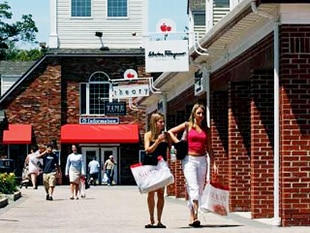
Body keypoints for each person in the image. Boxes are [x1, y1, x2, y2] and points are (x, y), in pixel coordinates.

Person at [168, 103, 214, 227]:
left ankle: (192, 215)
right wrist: (178, 143)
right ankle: (195, 216)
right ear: (193, 113)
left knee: (199, 188)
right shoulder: (188, 126)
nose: (201, 116)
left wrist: (214, 162)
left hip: (202, 159)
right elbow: (170, 132)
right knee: (193, 187)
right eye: (198, 113)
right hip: (189, 160)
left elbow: (209, 147)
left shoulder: (207, 130)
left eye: (203, 113)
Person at [143, 112, 172, 229]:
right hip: (150, 166)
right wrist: (158, 141)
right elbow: (147, 150)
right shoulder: (148, 135)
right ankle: (151, 220)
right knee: (151, 192)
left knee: (160, 193)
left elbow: (171, 149)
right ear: (155, 123)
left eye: (163, 121)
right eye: (160, 122)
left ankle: (159, 220)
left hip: (162, 165)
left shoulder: (166, 135)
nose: (163, 124)